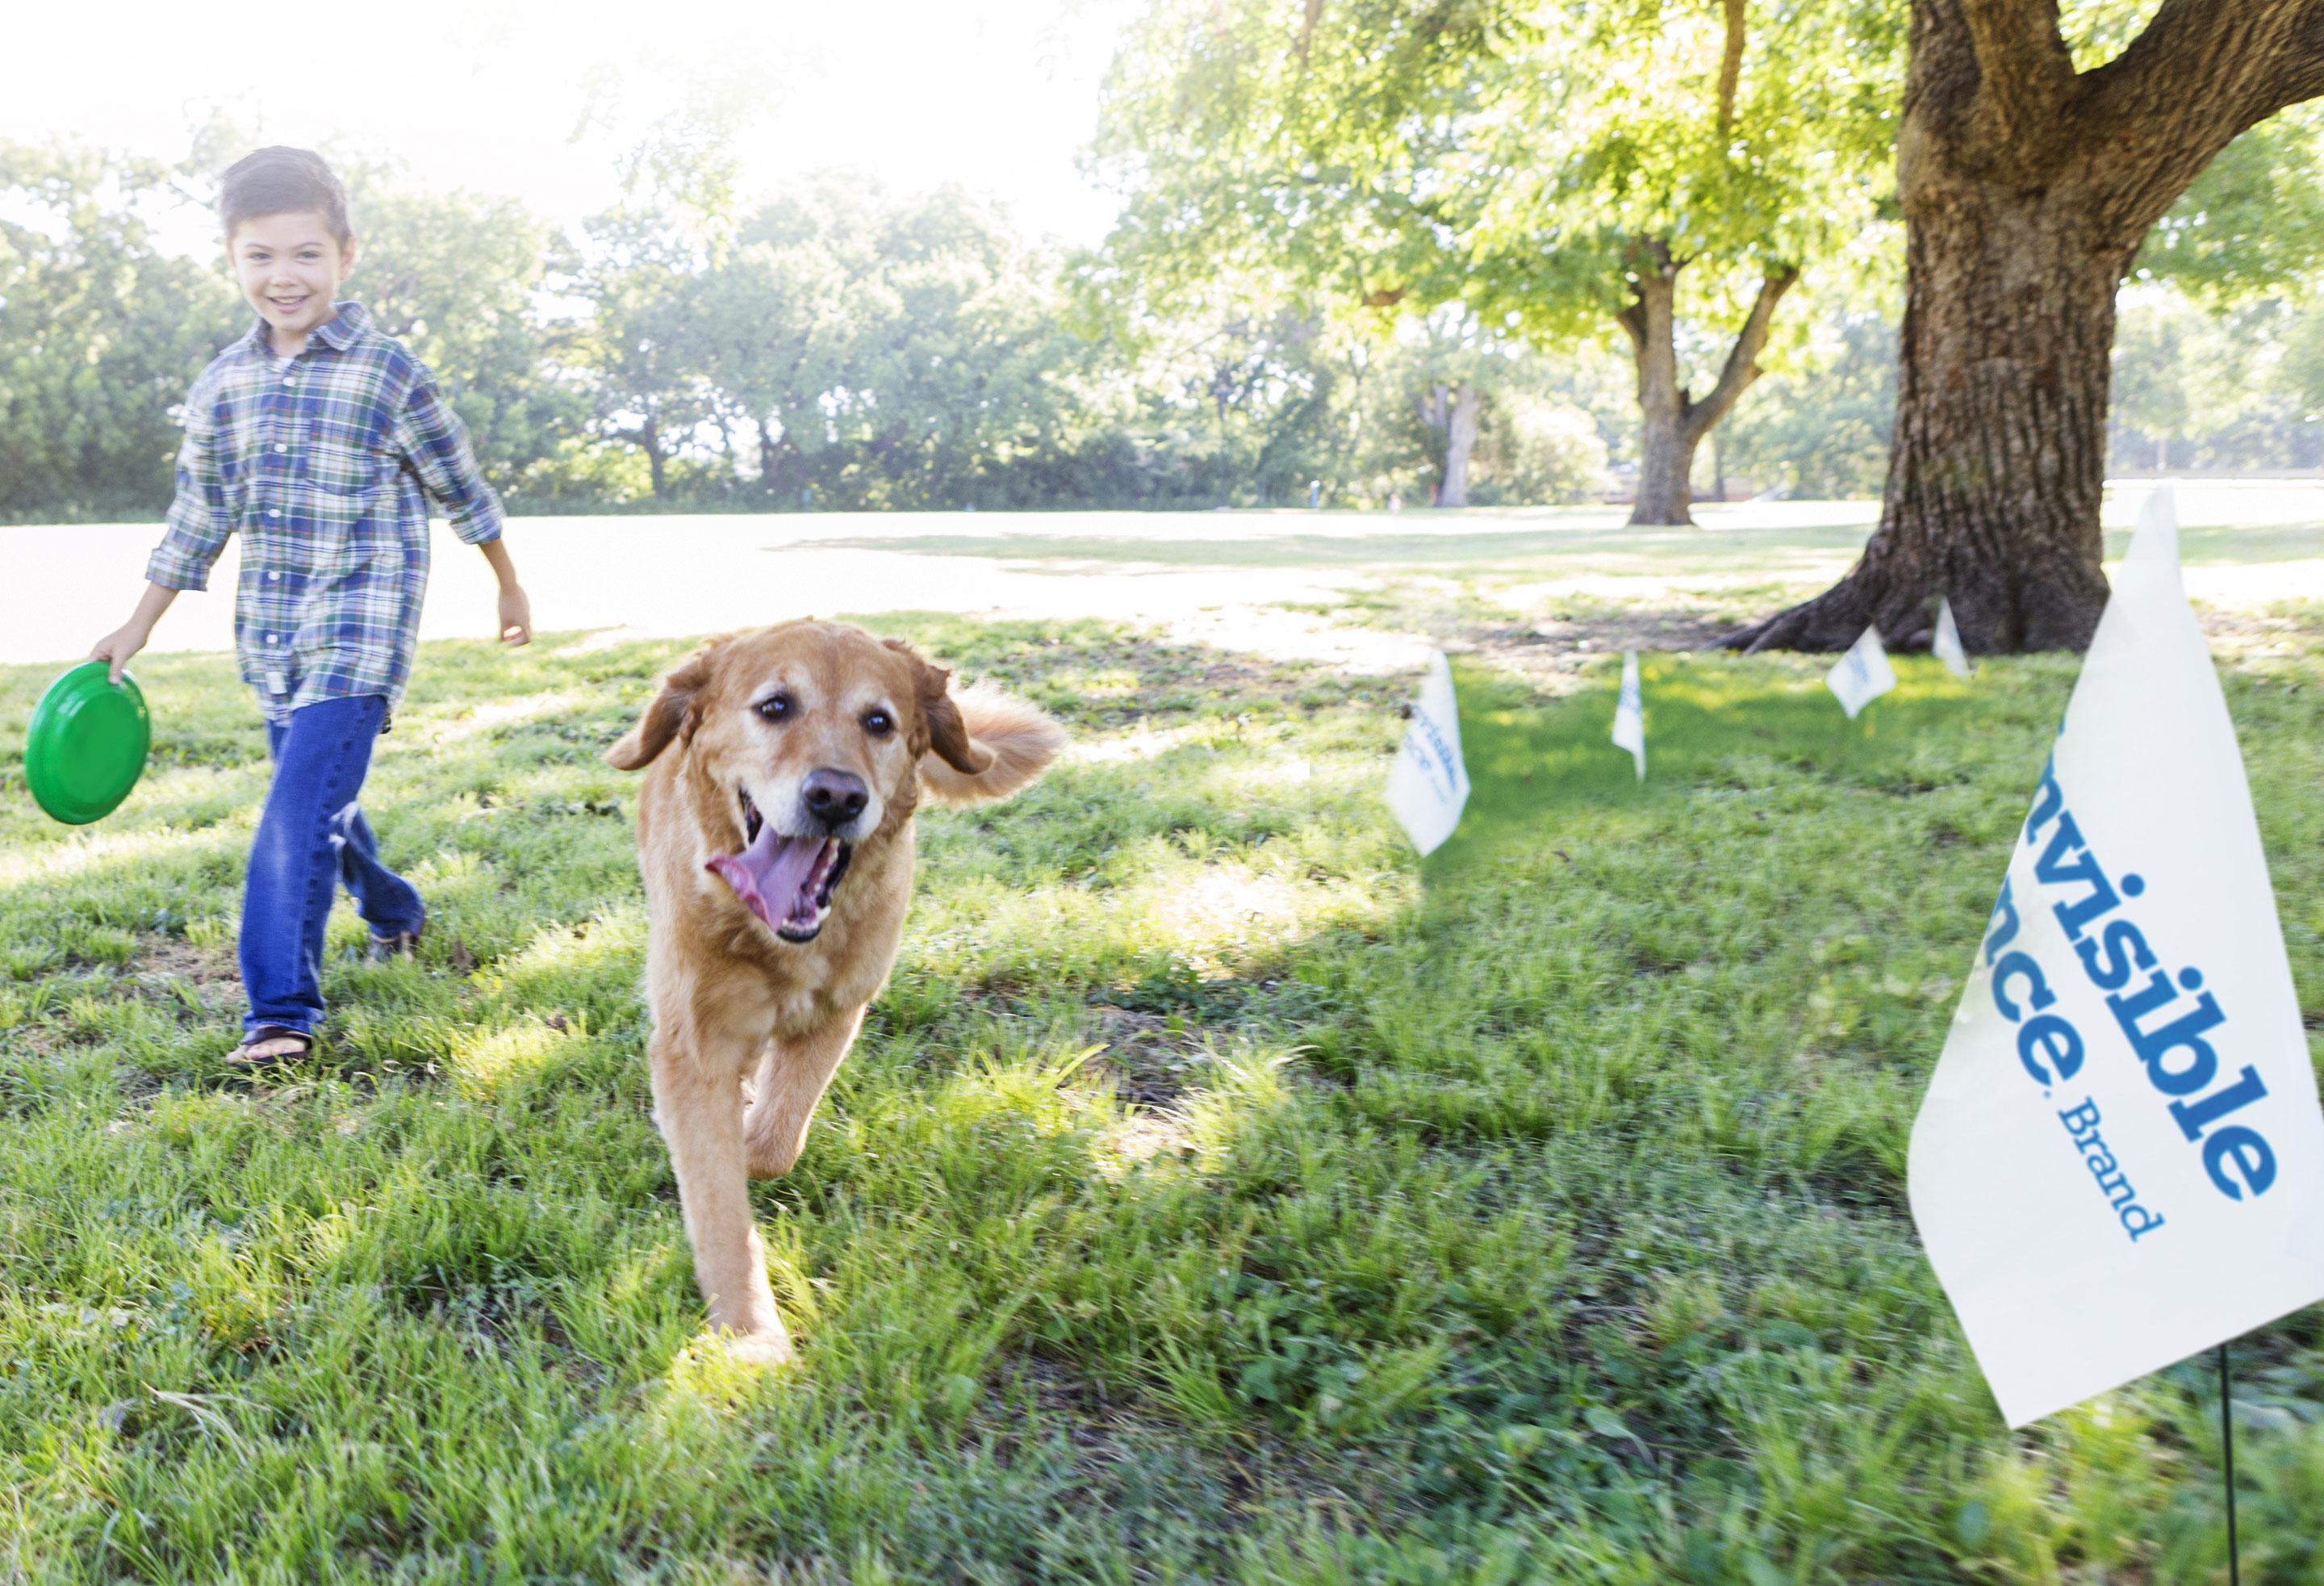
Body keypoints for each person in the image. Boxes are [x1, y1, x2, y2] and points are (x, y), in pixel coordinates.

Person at [87, 146, 533, 1066]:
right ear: (232, 259)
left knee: (293, 814)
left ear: (345, 256)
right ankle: (395, 909)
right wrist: (136, 627)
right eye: (260, 256)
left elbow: (462, 485)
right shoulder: (222, 386)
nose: (282, 277)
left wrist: (507, 579)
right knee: (320, 797)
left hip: (361, 633)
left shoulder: (388, 373)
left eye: (304, 255)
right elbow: (197, 520)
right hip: (274, 639)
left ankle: (280, 1012)